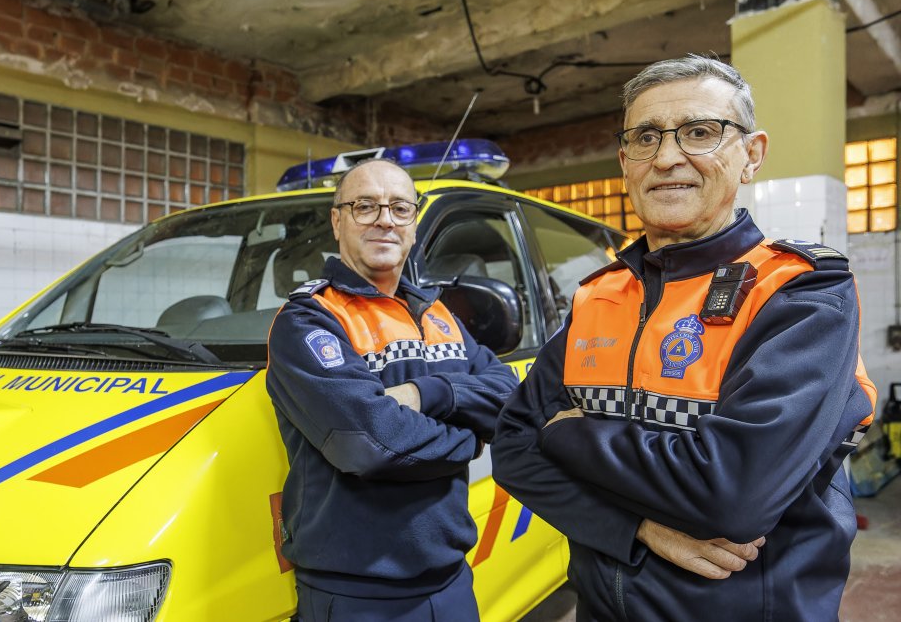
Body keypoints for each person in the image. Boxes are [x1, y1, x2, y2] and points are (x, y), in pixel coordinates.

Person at [492, 55, 877, 621]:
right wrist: (635, 529)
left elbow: (733, 495)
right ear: (625, 162)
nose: (668, 156)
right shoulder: (599, 296)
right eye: (646, 137)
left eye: (700, 132)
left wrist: (569, 436)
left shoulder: (801, 293)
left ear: (751, 155)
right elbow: (512, 449)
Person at [266, 159, 517, 621]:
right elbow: (370, 443)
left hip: (453, 580)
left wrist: (429, 395)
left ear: (414, 226)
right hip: (356, 595)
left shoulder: (437, 314)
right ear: (337, 221)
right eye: (366, 206)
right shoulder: (310, 320)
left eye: (400, 208)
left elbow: (508, 393)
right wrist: (470, 438)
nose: (385, 219)